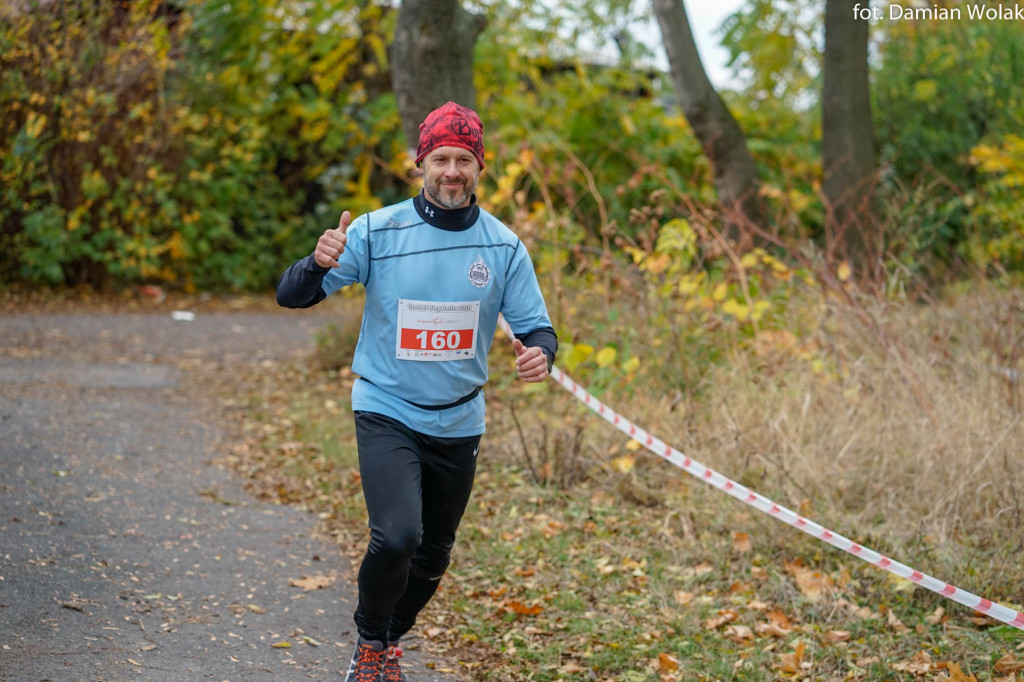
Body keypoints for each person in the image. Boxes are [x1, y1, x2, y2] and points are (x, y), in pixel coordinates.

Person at [275, 101, 557, 682]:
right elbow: (293, 295)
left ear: (479, 167)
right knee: (399, 535)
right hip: (387, 408)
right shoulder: (377, 232)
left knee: (433, 557)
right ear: (420, 164)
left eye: (463, 160)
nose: (451, 171)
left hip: (459, 421)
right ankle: (371, 642)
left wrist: (540, 353)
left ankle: (383, 641)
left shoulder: (503, 246)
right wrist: (314, 261)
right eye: (440, 159)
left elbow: (537, 326)